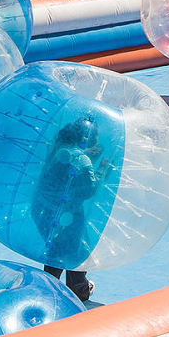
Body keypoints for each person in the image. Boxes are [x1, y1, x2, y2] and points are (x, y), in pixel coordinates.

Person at [33, 118, 111, 302]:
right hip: (66, 214)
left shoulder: (57, 147)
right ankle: (79, 289)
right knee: (76, 248)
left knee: (55, 248)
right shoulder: (82, 160)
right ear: (87, 136)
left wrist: (87, 155)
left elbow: (66, 170)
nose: (98, 138)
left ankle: (49, 288)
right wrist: (101, 169)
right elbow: (88, 190)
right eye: (96, 135)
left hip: (42, 210)